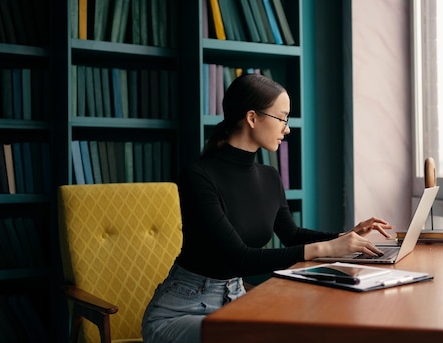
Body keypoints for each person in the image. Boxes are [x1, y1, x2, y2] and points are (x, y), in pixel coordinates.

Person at [141, 73, 393, 343]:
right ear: (252, 118)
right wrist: (327, 249)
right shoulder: (198, 175)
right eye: (282, 118)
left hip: (236, 302)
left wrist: (346, 236)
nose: (287, 128)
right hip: (180, 312)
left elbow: (292, 235)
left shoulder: (269, 176)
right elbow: (239, 258)